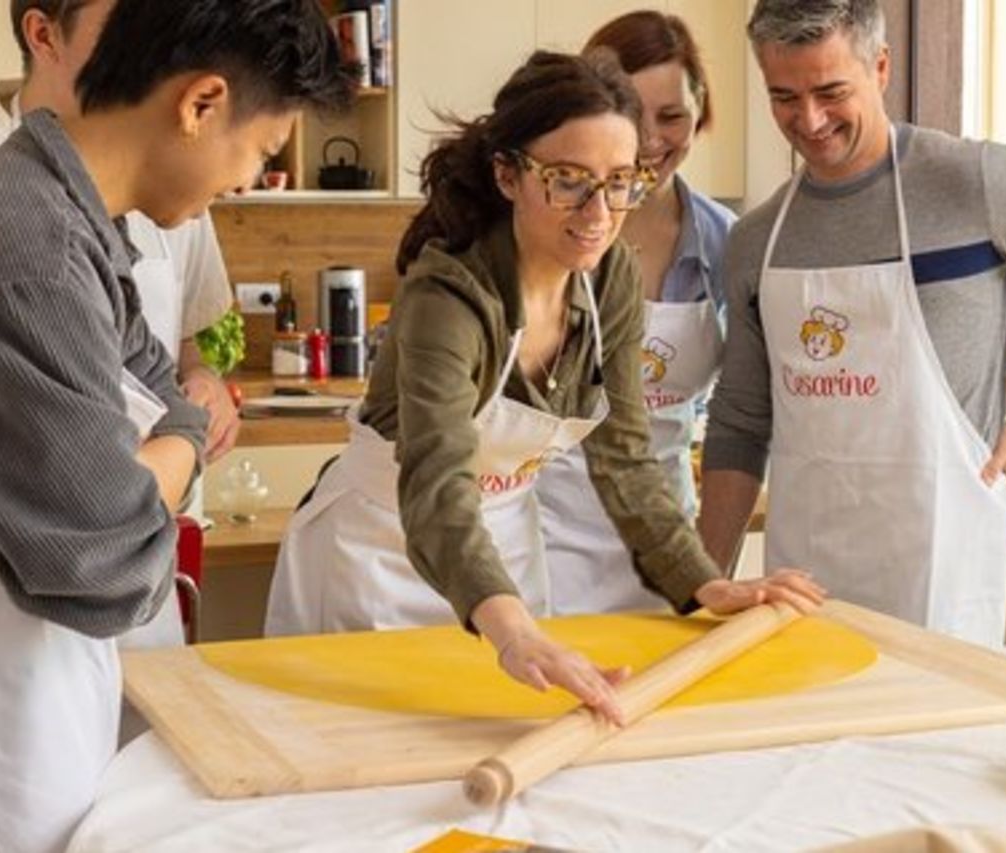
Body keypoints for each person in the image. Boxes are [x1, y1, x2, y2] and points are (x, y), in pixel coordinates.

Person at [0, 1, 354, 850]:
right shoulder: (26, 249)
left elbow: (168, 394)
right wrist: (178, 453)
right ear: (200, 104)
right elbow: (104, 554)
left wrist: (164, 448)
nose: (244, 183)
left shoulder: (78, 221)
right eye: (260, 153)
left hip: (30, 690)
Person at [265, 50, 824, 723]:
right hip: (379, 555)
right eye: (568, 180)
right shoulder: (450, 296)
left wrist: (705, 582)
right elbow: (438, 487)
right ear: (508, 173)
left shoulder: (608, 276)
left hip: (504, 559)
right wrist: (514, 630)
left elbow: (624, 457)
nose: (599, 211)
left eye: (621, 182)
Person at [698, 0, 1006, 645]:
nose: (809, 120)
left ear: (880, 66)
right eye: (784, 96)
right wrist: (703, 584)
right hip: (805, 569)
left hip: (943, 563)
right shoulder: (757, 239)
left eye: (830, 91)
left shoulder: (978, 182)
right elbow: (740, 420)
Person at [0, 0, 243, 651]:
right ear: (44, 34)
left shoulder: (180, 173)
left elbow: (186, 354)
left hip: (139, 568)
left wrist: (198, 397)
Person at [536, 11, 737, 614]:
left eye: (672, 116)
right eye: (631, 114)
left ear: (700, 111)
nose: (651, 140)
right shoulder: (551, 231)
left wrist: (708, 566)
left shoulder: (726, 243)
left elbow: (743, 411)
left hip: (663, 536)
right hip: (541, 528)